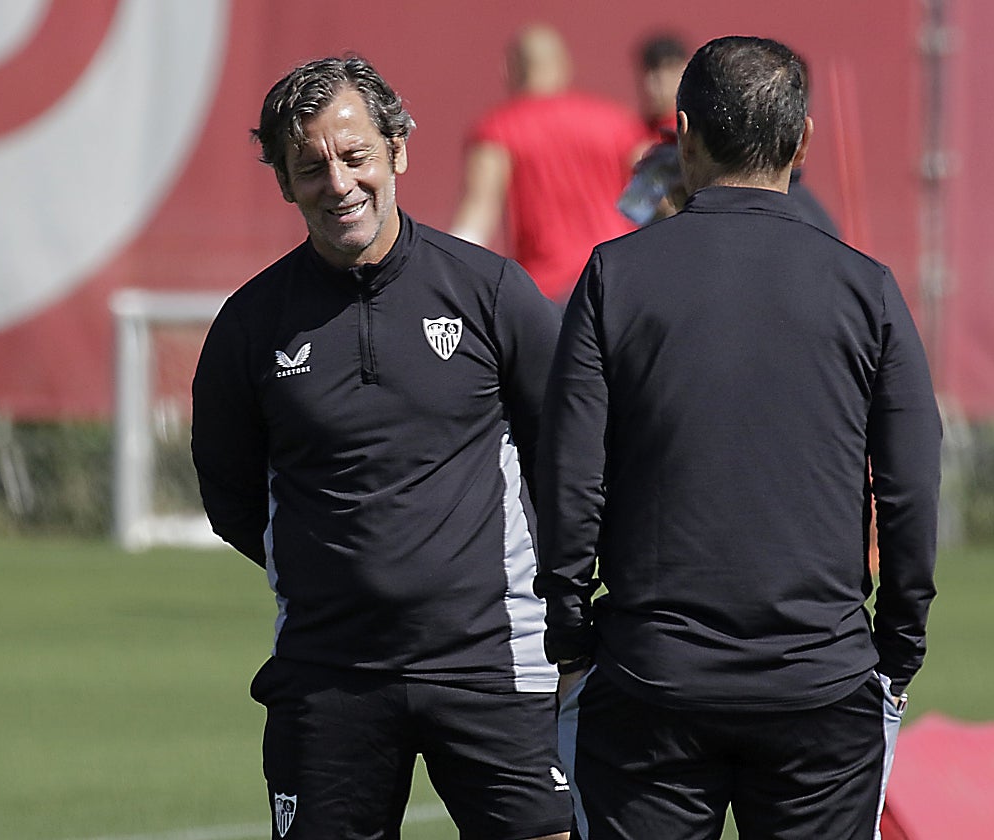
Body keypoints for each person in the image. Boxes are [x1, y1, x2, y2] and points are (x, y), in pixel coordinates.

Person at [535, 36, 941, 839]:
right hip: (821, 689)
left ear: (682, 132)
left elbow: (569, 479)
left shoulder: (615, 277)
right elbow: (910, 490)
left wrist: (570, 636)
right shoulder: (869, 290)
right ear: (803, 140)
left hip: (650, 683)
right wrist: (896, 652)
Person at [191, 56, 570, 840]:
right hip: (329, 677)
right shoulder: (251, 324)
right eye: (311, 167)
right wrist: (325, 565)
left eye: (355, 156)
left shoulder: (491, 293)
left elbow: (569, 457)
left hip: (494, 664)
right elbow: (229, 494)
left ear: (397, 150)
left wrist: (556, 600)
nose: (338, 184)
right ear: (285, 184)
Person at [451, 24, 647, 305]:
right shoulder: (619, 123)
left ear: (509, 69)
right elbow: (653, 201)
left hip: (550, 293)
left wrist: (446, 276)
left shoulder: (498, 130)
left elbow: (478, 216)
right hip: (621, 284)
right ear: (564, 64)